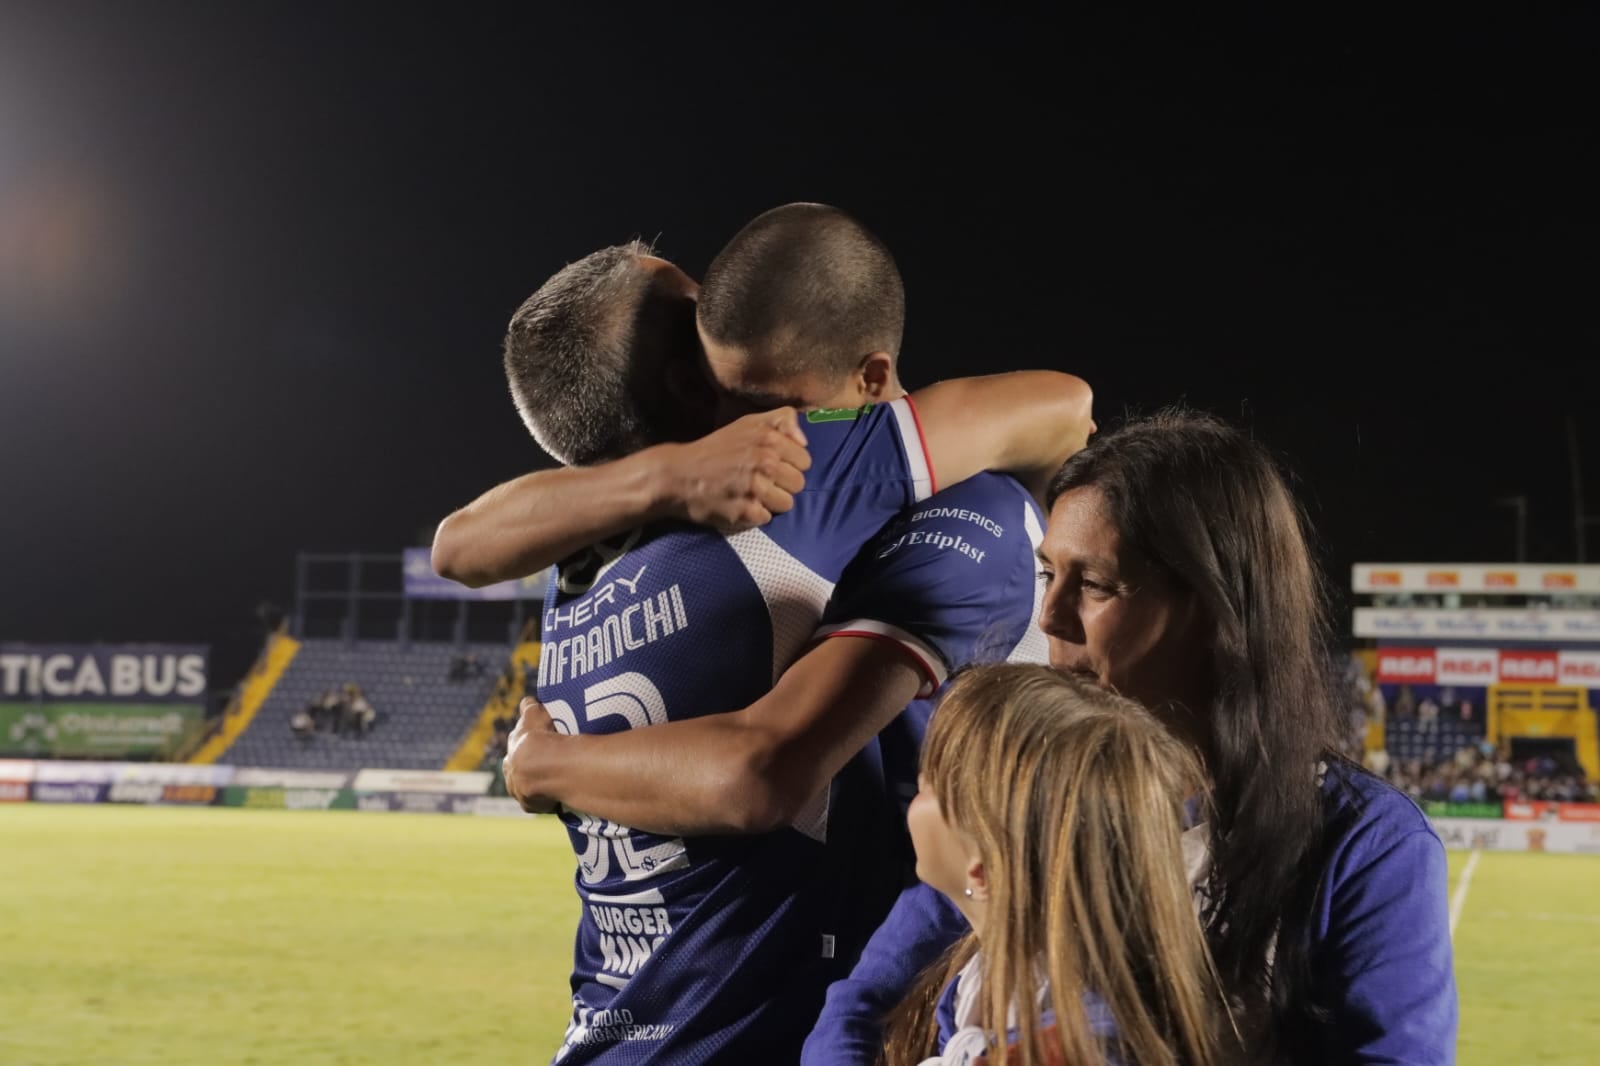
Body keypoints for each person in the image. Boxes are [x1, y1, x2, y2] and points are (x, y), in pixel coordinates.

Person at [435, 208, 1092, 1064]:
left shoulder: (570, 554)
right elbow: (1064, 405)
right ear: (693, 382)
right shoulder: (808, 466)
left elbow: (457, 545)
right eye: (699, 309)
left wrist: (546, 764)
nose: (725, 301)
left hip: (607, 1035)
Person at [806, 410, 1457, 1066]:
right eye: (1047, 575)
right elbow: (863, 1005)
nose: (1050, 616)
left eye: (1094, 584)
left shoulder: (1364, 842)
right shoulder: (1026, 786)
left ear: (1212, 606)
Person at [882, 663, 1225, 1066]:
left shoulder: (1082, 1049)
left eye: (933, 783)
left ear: (985, 868)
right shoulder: (988, 982)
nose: (919, 781)